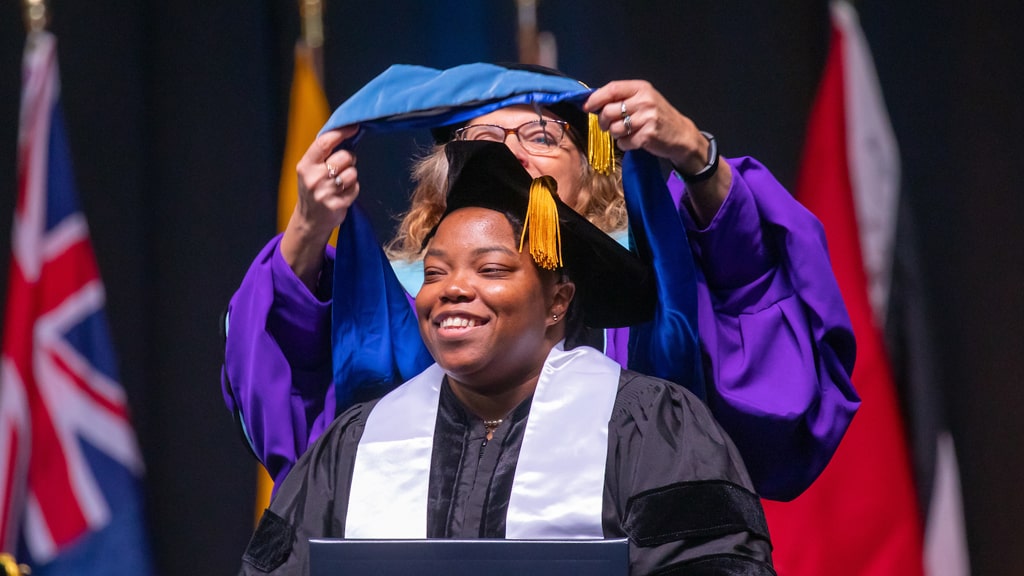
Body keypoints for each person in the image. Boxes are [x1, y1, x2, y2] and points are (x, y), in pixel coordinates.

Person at [222, 63, 859, 501]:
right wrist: (308, 228)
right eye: (483, 140)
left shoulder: (658, 306)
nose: (509, 155)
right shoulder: (397, 314)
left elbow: (767, 338)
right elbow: (289, 414)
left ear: (593, 176)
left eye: (538, 135)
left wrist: (696, 155)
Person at [238, 140, 775, 576]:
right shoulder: (357, 441)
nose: (452, 290)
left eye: (491, 270)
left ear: (558, 301)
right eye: (435, 273)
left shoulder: (649, 426)